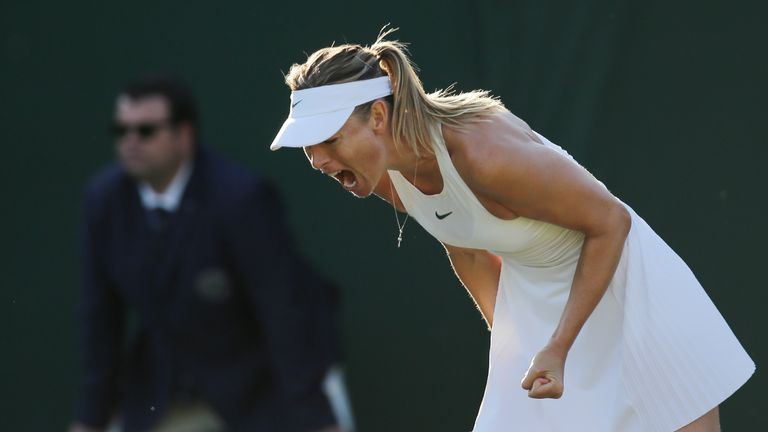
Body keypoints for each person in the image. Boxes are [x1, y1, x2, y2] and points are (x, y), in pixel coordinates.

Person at [268, 29, 755, 432]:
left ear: (377, 116)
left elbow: (611, 222)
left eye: (328, 139)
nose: (317, 160)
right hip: (542, 306)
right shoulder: (386, 173)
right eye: (309, 147)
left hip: (630, 289)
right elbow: (466, 248)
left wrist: (558, 345)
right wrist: (512, 339)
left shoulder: (486, 157)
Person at [72, 74, 345, 432]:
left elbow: (284, 312)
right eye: (121, 130)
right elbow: (100, 319)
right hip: (162, 396)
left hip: (263, 394)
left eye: (146, 130)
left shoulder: (241, 200)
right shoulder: (104, 201)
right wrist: (90, 420)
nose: (131, 142)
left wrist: (317, 419)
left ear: (184, 136)